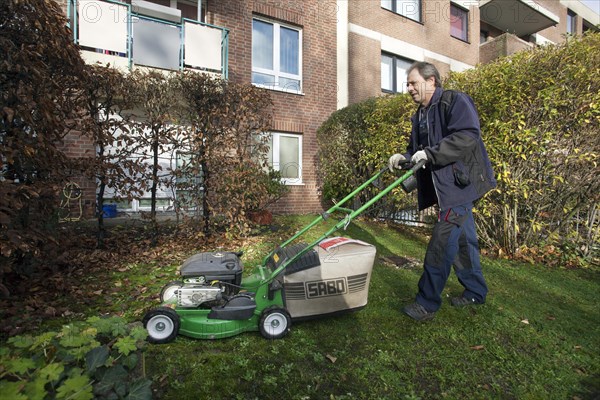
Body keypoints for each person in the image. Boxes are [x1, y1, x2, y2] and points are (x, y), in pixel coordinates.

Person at [388, 62, 496, 321]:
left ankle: (426, 304)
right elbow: (418, 150)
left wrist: (430, 153)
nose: (409, 88)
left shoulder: (454, 101)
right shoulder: (420, 115)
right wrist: (401, 157)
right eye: (408, 84)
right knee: (463, 242)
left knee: (441, 243)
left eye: (413, 83)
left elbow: (467, 135)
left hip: (460, 187)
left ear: (432, 81)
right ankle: (475, 292)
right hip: (446, 189)